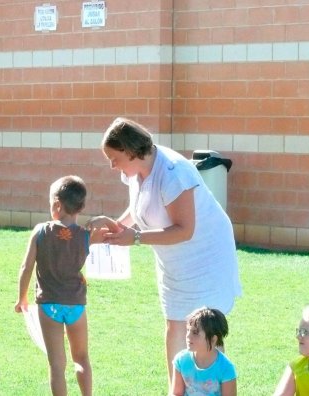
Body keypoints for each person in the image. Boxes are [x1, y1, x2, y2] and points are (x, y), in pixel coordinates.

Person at [86, 117, 242, 388]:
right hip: (174, 260)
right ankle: (177, 390)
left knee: (205, 329)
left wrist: (133, 238)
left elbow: (185, 230)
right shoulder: (135, 170)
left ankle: (214, 390)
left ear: (131, 151)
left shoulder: (173, 172)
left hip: (206, 256)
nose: (112, 166)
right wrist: (115, 227)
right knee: (175, 325)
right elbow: (140, 209)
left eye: (114, 158)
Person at [15, 175, 103, 396]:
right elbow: (115, 229)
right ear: (81, 207)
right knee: (81, 358)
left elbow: (26, 268)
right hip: (76, 305)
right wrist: (104, 220)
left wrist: (21, 298)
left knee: (56, 365)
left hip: (48, 306)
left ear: (56, 205)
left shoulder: (40, 232)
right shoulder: (85, 236)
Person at [172, 307, 236, 396]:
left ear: (213, 339)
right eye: (188, 330)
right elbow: (176, 393)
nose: (188, 336)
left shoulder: (226, 368)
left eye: (195, 333)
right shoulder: (181, 360)